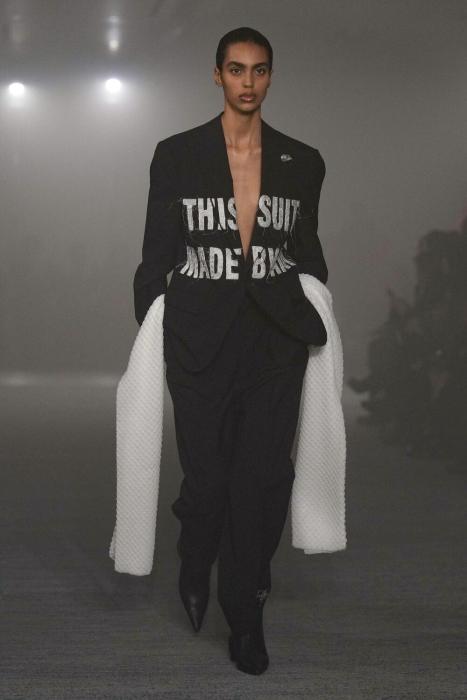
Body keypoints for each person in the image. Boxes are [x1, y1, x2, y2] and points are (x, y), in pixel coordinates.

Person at [134, 27, 329, 675]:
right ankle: (195, 554)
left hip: (274, 340)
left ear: (271, 76)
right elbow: (155, 254)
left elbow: (309, 253)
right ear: (216, 75)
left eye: (260, 70)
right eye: (237, 69)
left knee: (264, 478)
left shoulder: (303, 162)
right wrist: (153, 333)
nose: (249, 82)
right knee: (209, 482)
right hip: (199, 340)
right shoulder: (177, 155)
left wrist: (315, 309)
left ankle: (245, 613)